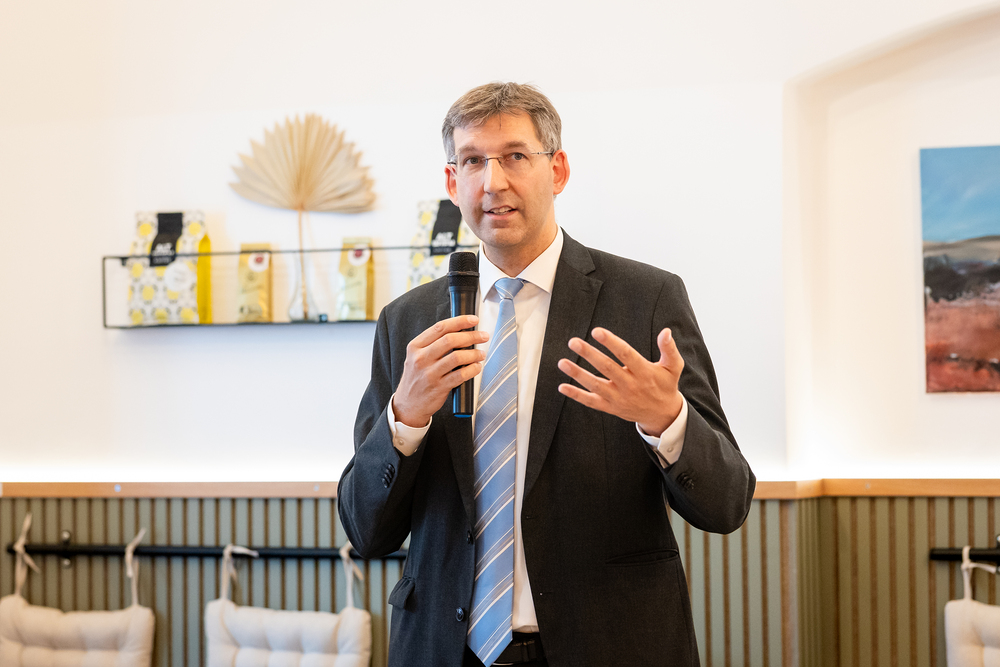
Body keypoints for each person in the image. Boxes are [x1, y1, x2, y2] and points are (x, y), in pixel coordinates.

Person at [338, 82, 755, 667]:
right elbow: (366, 530)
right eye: (473, 161)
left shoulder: (644, 300)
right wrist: (404, 418)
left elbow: (727, 504)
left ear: (557, 171)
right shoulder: (408, 321)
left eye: (514, 156)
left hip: (609, 646)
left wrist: (668, 420)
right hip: (444, 649)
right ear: (453, 183)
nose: (493, 182)